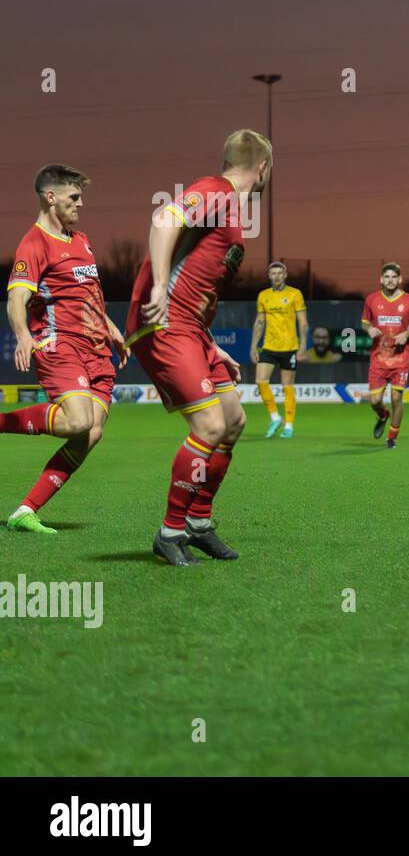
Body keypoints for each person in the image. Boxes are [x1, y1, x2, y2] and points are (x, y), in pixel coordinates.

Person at [123, 129, 272, 565]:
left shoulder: (230, 206)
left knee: (233, 421)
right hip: (164, 323)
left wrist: (210, 344)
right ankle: (170, 532)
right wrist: (157, 289)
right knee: (209, 425)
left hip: (192, 331)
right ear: (262, 167)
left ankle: (198, 523)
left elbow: (196, 280)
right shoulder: (216, 191)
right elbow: (165, 220)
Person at [2, 164, 128, 534]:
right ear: (50, 197)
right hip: (61, 346)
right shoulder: (34, 243)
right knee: (77, 420)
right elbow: (16, 299)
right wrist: (24, 335)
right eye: (74, 197)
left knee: (90, 433)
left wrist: (111, 328)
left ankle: (25, 511)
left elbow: (87, 295)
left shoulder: (82, 240)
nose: (81, 203)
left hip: (97, 351)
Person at [361, 263, 409, 449]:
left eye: (393, 277)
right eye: (386, 277)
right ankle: (382, 416)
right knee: (375, 401)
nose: (390, 280)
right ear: (381, 279)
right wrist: (369, 328)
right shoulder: (371, 299)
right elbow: (364, 322)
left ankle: (392, 437)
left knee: (397, 398)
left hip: (400, 359)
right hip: (378, 358)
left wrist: (407, 334)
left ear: (400, 279)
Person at [251, 262, 308, 438]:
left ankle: (289, 426)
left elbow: (303, 322)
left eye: (279, 273)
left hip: (289, 347)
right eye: (273, 273)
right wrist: (253, 345)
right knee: (261, 382)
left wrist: (303, 345)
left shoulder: (294, 294)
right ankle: (275, 417)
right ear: (269, 276)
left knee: (287, 386)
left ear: (285, 275)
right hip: (269, 346)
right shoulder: (263, 296)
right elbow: (260, 322)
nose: (276, 276)